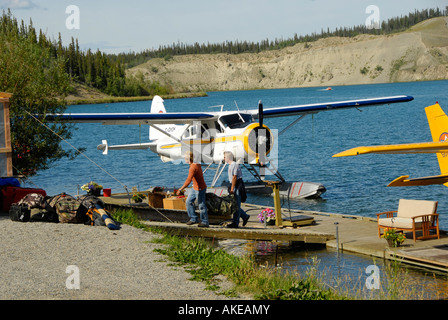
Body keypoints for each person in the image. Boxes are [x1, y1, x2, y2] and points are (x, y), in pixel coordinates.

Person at [177, 151, 209, 227]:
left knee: (201, 205)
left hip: (200, 189)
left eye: (185, 158)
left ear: (189, 159)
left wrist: (180, 189)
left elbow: (188, 181)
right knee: (188, 202)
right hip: (194, 187)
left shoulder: (193, 167)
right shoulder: (196, 164)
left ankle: (205, 222)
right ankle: (193, 218)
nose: (184, 159)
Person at [224, 151, 249, 228]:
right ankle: (244, 216)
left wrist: (232, 189)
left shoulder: (234, 165)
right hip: (233, 184)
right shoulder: (230, 165)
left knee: (236, 204)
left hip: (237, 185)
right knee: (234, 204)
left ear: (228, 158)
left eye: (224, 157)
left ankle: (235, 222)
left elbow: (235, 177)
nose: (224, 158)